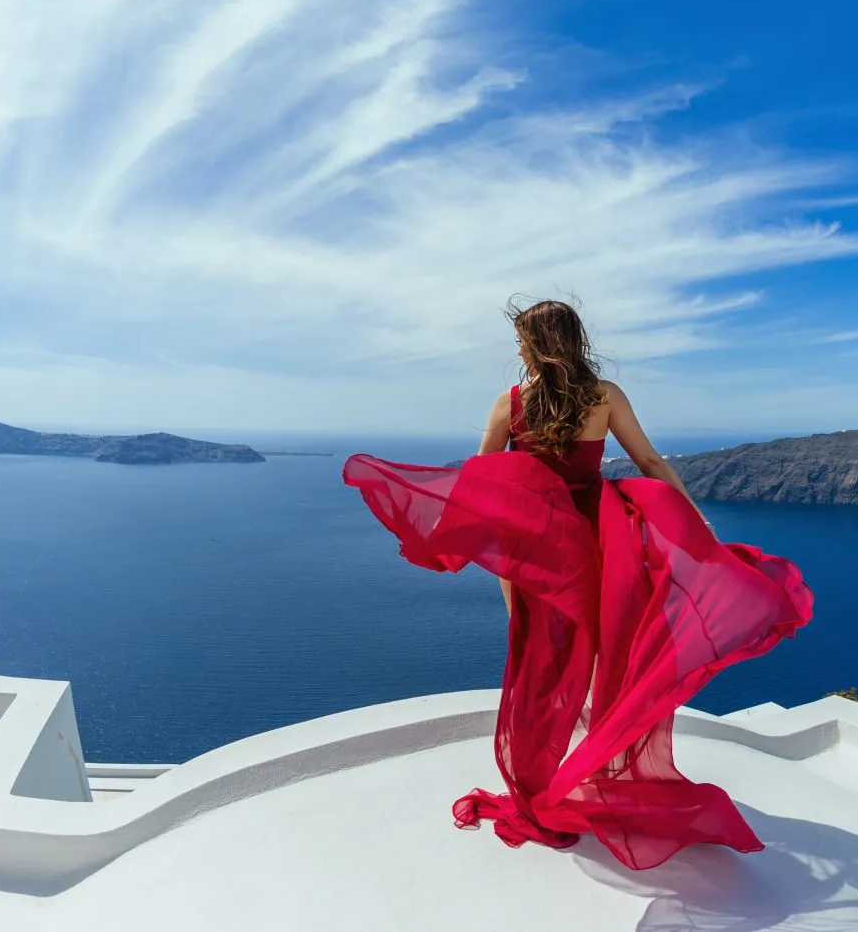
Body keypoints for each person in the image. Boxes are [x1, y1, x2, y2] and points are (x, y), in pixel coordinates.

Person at [343, 299, 813, 871]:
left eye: (520, 339)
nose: (516, 350)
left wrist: (442, 532)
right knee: (597, 660)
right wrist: (697, 523)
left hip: (534, 552)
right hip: (594, 544)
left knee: (536, 662)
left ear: (539, 343)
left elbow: (480, 481)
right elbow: (649, 462)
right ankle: (593, 770)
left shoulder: (511, 403)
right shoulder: (604, 396)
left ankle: (536, 783)